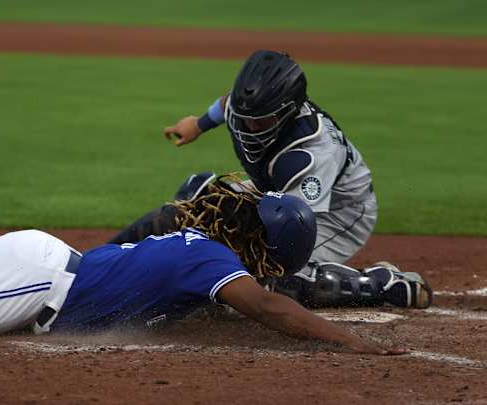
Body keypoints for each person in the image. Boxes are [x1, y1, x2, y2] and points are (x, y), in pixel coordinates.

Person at [0, 80, 401, 355]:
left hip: (43, 260)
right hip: (35, 284)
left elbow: (247, 298)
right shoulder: (212, 262)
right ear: (266, 251)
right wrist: (352, 341)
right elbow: (269, 308)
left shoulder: (200, 248)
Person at [110, 49, 432, 309]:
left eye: (261, 122)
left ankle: (381, 283)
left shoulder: (311, 155)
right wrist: (198, 124)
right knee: (191, 208)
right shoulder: (248, 106)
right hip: (276, 192)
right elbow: (229, 104)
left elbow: (296, 232)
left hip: (337, 212)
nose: (251, 128)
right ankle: (103, 260)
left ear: (287, 111)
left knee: (277, 281)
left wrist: (243, 251)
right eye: (247, 119)